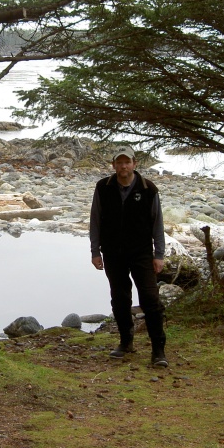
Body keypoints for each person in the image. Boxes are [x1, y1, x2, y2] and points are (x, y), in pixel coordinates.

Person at [89, 147, 168, 367]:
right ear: (113, 165)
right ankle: (126, 341)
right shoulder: (103, 187)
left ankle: (158, 350)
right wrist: (95, 251)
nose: (123, 166)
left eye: (127, 162)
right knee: (120, 298)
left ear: (134, 164)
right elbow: (95, 220)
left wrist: (158, 254)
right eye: (119, 163)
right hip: (113, 253)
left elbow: (157, 224)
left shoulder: (148, 188)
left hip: (142, 253)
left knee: (150, 300)